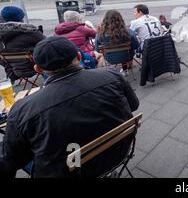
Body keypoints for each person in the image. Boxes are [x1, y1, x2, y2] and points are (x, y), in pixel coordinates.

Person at [0, 36, 139, 178]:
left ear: (38, 69)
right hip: (118, 152)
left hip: (68, 171)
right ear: (78, 57)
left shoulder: (23, 109)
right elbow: (133, 106)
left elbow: (10, 162)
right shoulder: (112, 75)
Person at [0, 6, 45, 83]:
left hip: (14, 70)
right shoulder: (31, 32)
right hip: (36, 67)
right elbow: (48, 45)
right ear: (20, 18)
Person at [95, 10, 139, 76]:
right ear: (120, 19)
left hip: (110, 59)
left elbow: (97, 49)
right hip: (127, 57)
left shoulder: (100, 33)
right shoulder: (128, 32)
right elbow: (136, 46)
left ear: (105, 20)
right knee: (127, 51)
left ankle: (113, 71)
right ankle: (125, 69)